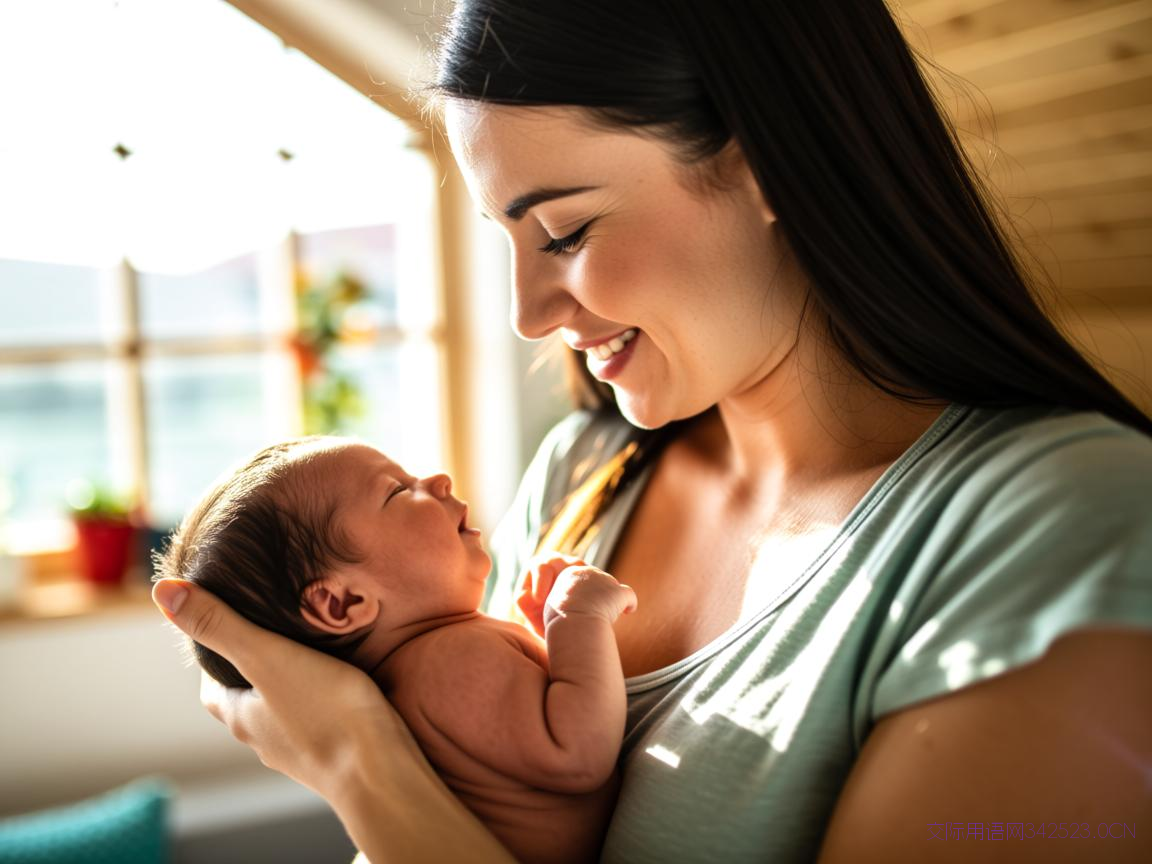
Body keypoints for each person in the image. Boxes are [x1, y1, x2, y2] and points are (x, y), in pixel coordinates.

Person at [152, 1, 1152, 861]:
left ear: (771, 163)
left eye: (567, 232)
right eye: (507, 241)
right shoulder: (582, 476)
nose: (529, 314)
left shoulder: (1066, 524)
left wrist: (353, 760)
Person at [155, 435, 636, 864]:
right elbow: (577, 754)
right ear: (342, 602)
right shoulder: (449, 661)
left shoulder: (418, 674)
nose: (440, 479)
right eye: (398, 490)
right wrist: (578, 620)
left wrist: (543, 638)